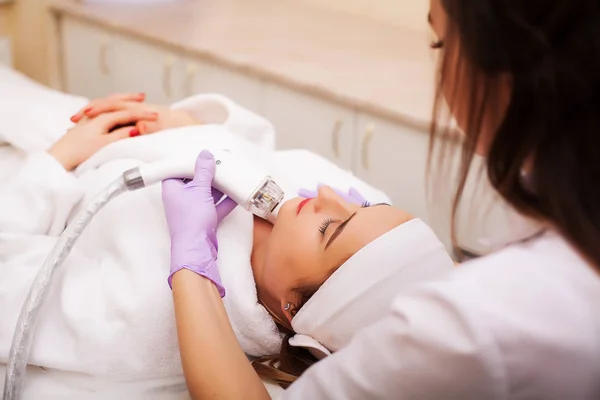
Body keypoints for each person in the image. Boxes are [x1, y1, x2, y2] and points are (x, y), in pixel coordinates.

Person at [161, 0, 600, 399]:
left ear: (507, 67)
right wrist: (195, 129)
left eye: (441, 41)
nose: (328, 193)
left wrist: (191, 264)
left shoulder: (477, 323)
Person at [0, 87, 454, 398]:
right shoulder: (299, 206)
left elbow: (12, 280)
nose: (328, 195)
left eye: (329, 228)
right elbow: (260, 144)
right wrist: (185, 124)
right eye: (362, 206)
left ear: (294, 309)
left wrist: (57, 159)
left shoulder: (139, 312)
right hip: (108, 132)